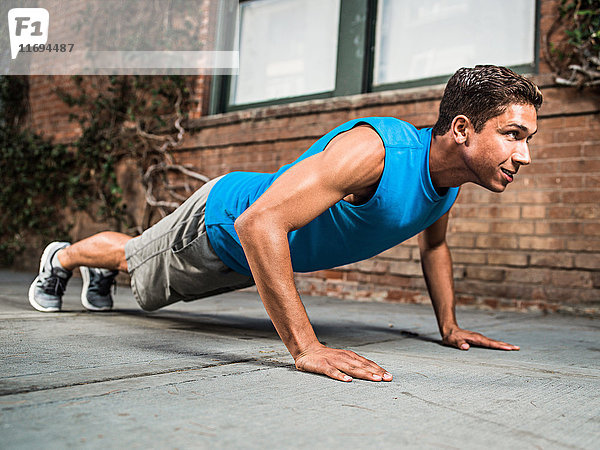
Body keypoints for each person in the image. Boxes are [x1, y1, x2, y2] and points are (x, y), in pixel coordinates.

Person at [28, 65, 542, 383]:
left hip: (256, 254)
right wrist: (307, 349)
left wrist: (448, 327)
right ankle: (61, 259)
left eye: (529, 139)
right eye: (513, 134)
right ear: (461, 130)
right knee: (132, 260)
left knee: (143, 271)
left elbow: (435, 249)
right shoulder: (377, 152)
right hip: (224, 224)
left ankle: (98, 270)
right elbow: (259, 224)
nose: (524, 155)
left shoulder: (448, 185)